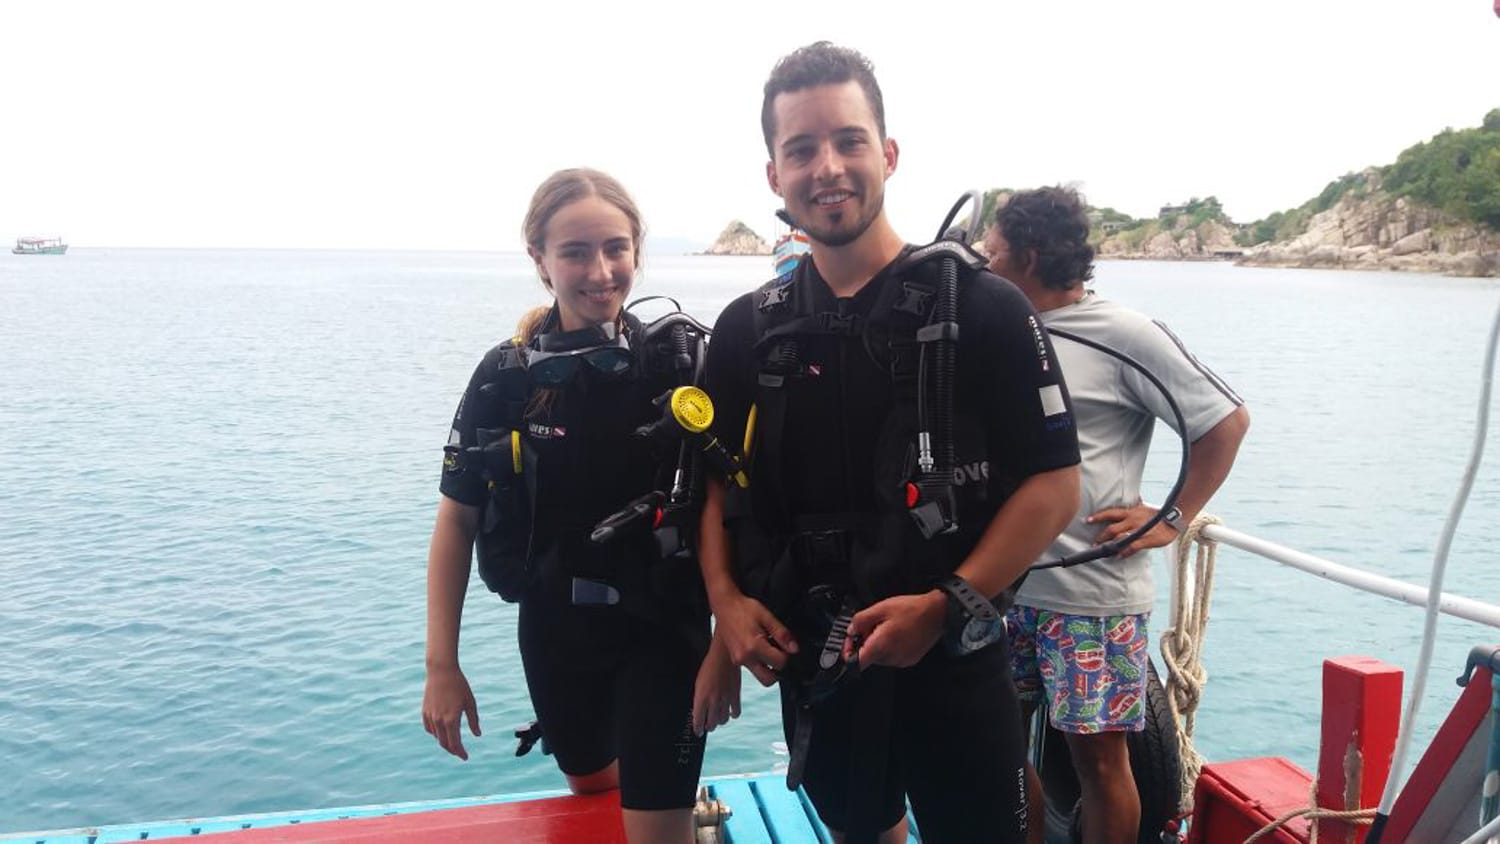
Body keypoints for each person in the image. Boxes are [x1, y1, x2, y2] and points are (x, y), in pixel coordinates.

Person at [695, 42, 1082, 843]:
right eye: (800, 149)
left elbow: (1054, 483)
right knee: (862, 830)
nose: (826, 166)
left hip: (955, 659)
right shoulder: (746, 331)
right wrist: (726, 606)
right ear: (774, 174)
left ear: (889, 153)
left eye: (848, 140)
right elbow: (713, 482)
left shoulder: (983, 310)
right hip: (817, 656)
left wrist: (948, 606)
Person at [421, 168, 739, 844]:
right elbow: (457, 518)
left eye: (616, 248)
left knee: (657, 830)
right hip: (557, 632)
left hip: (665, 632)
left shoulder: (678, 364)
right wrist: (442, 666)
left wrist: (728, 642)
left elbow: (724, 504)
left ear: (637, 250)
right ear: (539, 259)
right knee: (592, 789)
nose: (600, 271)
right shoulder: (505, 378)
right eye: (574, 252)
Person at [985, 187, 1249, 844]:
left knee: (1099, 762)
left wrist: (1171, 517)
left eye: (992, 253)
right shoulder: (1004, 330)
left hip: (1091, 599)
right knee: (996, 749)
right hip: (1002, 589)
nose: (983, 264)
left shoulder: (1127, 334)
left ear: (1030, 256)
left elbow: (1225, 421)